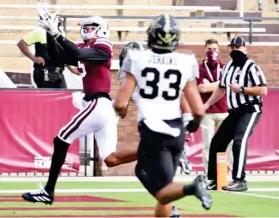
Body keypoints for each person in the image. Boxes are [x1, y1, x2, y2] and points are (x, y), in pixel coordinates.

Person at [21, 10, 137, 205]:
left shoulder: (103, 45)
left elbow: (76, 53)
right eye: (86, 27)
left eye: (91, 27)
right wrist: (50, 33)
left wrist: (58, 34)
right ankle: (151, 150)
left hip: (98, 104)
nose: (87, 30)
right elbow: (62, 55)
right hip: (102, 107)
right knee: (110, 159)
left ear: (101, 30)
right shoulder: (85, 46)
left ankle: (48, 191)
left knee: (61, 139)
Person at [113, 14, 212, 217]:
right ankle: (174, 209)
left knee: (155, 184)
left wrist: (119, 111)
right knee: (161, 187)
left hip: (153, 131)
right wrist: (193, 124)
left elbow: (120, 103)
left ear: (151, 36)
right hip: (176, 132)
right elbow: (199, 110)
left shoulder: (138, 59)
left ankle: (191, 188)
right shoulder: (185, 60)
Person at [205, 36, 267, 191]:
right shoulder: (228, 67)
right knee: (217, 142)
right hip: (234, 112)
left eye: (237, 47)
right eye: (232, 48)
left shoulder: (251, 66)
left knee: (239, 140)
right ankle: (214, 180)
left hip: (250, 109)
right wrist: (205, 104)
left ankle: (240, 180)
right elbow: (221, 89)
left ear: (244, 49)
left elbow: (263, 90)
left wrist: (242, 89)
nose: (234, 50)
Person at [197, 39, 233, 174]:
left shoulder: (224, 67)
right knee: (208, 144)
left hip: (224, 110)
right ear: (205, 50)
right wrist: (220, 84)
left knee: (229, 142)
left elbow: (227, 86)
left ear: (219, 50)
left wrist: (212, 85)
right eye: (209, 49)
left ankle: (235, 173)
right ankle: (209, 173)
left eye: (215, 49)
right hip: (208, 113)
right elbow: (201, 88)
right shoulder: (200, 68)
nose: (212, 52)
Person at [17, 14, 79, 88]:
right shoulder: (40, 31)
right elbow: (21, 43)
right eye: (58, 18)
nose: (61, 20)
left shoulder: (58, 34)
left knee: (63, 96)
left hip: (59, 73)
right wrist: (33, 58)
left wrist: (71, 69)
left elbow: (62, 54)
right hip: (45, 71)